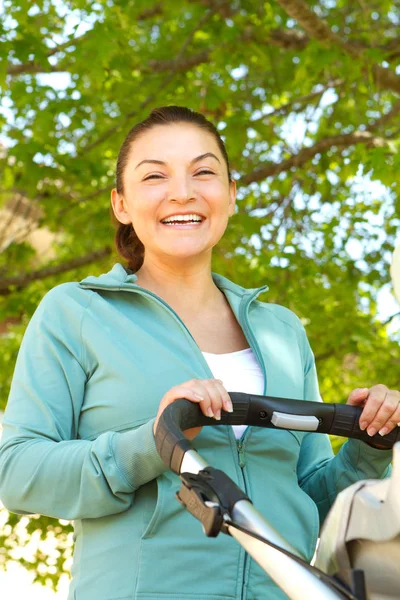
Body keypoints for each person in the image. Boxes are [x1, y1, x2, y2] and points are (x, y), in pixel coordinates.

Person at [0, 105, 397, 600]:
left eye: (204, 172)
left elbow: (305, 502)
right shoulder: (77, 312)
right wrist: (152, 441)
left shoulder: (284, 331)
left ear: (231, 195)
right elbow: (17, 473)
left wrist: (367, 448)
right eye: (155, 176)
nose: (183, 192)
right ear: (121, 204)